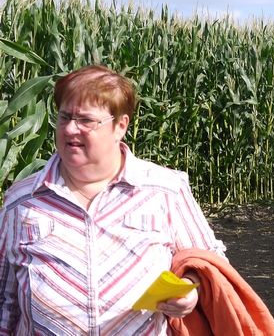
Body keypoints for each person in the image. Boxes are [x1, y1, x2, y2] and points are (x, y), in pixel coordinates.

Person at [0, 65, 226, 335]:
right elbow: (5, 299)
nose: (70, 129)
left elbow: (211, 261)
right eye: (65, 117)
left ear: (120, 126)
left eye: (86, 120)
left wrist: (189, 288)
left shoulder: (165, 190)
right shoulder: (22, 200)